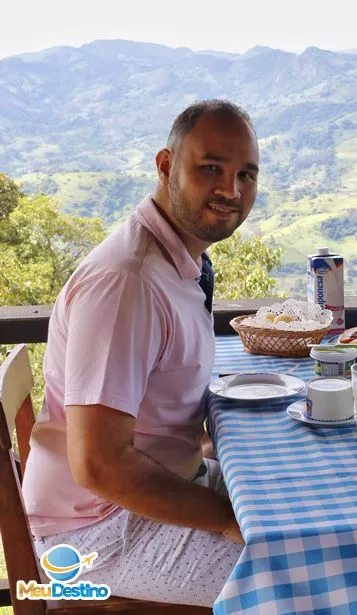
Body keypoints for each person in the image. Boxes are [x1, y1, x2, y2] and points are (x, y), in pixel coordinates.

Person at [21, 100, 259, 606]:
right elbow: (100, 465)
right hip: (98, 532)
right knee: (306, 573)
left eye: (246, 174)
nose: (231, 190)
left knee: (304, 510)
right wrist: (225, 520)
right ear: (167, 166)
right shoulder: (127, 284)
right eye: (211, 168)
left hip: (154, 489)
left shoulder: (176, 261)